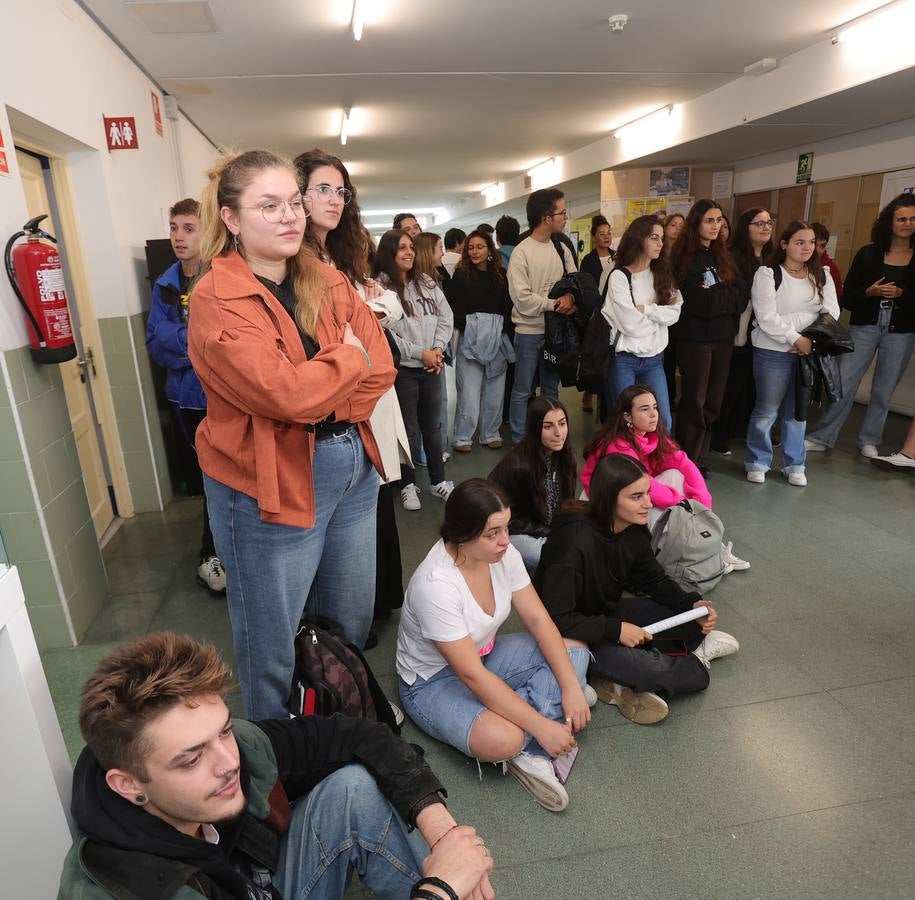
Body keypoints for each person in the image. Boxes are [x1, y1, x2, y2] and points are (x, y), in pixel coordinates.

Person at [187, 150, 396, 720]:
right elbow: (285, 396)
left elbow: (380, 365)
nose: (290, 216)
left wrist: (326, 386)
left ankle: (339, 722)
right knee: (271, 643)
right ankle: (277, 765)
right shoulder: (217, 298)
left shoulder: (323, 277)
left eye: (295, 203)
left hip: (352, 466)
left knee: (348, 621)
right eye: (269, 205)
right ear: (231, 219)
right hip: (270, 484)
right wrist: (336, 372)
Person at [58, 631, 495, 900]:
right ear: (127, 784)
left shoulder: (229, 751)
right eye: (192, 759)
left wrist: (445, 835)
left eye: (224, 731)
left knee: (352, 789)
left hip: (255, 883)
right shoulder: (135, 887)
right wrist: (438, 891)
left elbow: (361, 735)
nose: (229, 763)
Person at [396, 479, 591, 812]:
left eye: (506, 527)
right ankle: (534, 729)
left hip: (485, 656)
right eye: (493, 533)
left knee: (575, 651)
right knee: (505, 739)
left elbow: (539, 621)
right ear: (461, 533)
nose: (505, 541)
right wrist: (542, 725)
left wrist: (571, 687)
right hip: (432, 683)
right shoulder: (436, 585)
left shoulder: (503, 553)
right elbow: (471, 676)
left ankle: (533, 728)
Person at [293, 148, 411, 628]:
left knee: (362, 541)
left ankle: (360, 629)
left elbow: (376, 352)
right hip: (329, 422)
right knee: (327, 557)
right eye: (322, 189)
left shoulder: (337, 257)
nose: (334, 199)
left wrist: (365, 329)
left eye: (340, 191)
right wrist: (361, 338)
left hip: (361, 409)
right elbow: (330, 345)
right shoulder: (295, 260)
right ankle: (332, 655)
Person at [535, 453, 739, 726]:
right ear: (609, 498)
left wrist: (691, 606)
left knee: (690, 624)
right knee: (649, 668)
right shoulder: (573, 541)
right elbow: (555, 618)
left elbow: (653, 579)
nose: (649, 503)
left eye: (647, 493)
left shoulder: (632, 529)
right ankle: (683, 661)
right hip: (570, 635)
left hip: (605, 615)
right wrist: (616, 631)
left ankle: (614, 678)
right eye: (636, 497)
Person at [145, 198, 225, 594]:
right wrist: (194, 344)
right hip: (184, 400)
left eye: (188, 228)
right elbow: (156, 345)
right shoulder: (164, 284)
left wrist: (187, 343)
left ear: (206, 230)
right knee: (208, 479)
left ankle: (226, 550)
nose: (178, 236)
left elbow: (224, 343)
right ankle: (209, 556)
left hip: (222, 398)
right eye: (174, 227)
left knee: (229, 478)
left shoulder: (220, 278)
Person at [581, 385, 749, 572]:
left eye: (655, 407)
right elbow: (648, 488)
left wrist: (702, 500)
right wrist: (686, 505)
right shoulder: (618, 446)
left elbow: (683, 462)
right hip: (603, 503)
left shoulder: (652, 435)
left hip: (634, 494)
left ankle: (710, 548)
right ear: (627, 416)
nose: (653, 414)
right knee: (655, 505)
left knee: (676, 475)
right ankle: (676, 552)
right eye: (645, 409)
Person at [805, 195, 915, 458]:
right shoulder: (869, 253)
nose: (907, 223)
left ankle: (869, 439)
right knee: (844, 380)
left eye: (912, 218)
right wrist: (870, 291)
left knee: (884, 386)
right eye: (901, 218)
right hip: (866, 324)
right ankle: (822, 435)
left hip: (901, 328)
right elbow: (849, 297)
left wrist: (903, 295)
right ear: (890, 221)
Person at [745, 220, 839, 486]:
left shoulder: (822, 274)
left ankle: (794, 463)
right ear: (785, 244)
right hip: (772, 351)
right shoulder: (768, 273)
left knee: (797, 411)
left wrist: (807, 340)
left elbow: (831, 313)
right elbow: (766, 317)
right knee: (766, 409)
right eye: (800, 242)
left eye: (811, 242)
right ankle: (757, 461)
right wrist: (797, 336)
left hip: (806, 353)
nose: (807, 247)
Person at [375, 229, 454, 510]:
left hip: (432, 365)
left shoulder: (427, 282)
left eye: (411, 247)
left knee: (433, 427)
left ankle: (438, 482)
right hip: (405, 370)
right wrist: (420, 354)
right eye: (402, 248)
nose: (409, 252)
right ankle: (408, 484)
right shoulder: (380, 288)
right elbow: (387, 333)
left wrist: (437, 350)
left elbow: (446, 316)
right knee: (407, 430)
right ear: (389, 253)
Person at [669, 199, 749, 473]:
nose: (716, 226)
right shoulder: (684, 258)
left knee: (714, 401)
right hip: (695, 341)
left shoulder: (722, 255)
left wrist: (719, 298)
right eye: (709, 220)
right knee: (694, 400)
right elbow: (699, 304)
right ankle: (687, 460)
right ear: (696, 224)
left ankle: (697, 456)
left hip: (723, 339)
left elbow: (742, 295)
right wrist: (724, 298)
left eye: (719, 221)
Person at [507, 188, 577, 445]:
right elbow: (522, 299)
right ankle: (519, 440)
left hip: (555, 332)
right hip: (528, 332)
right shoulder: (522, 252)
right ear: (548, 217)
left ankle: (549, 437)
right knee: (523, 389)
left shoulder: (561, 248)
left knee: (550, 389)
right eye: (562, 212)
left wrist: (570, 299)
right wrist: (555, 304)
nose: (565, 217)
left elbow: (573, 282)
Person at [601, 215, 682, 430]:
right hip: (623, 360)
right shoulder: (620, 276)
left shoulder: (663, 275)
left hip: (654, 360)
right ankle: (625, 463)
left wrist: (647, 310)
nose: (660, 243)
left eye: (661, 238)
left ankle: (655, 463)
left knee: (663, 421)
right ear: (639, 239)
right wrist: (659, 319)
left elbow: (675, 314)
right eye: (654, 237)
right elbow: (631, 325)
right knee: (624, 422)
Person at [711, 207, 775, 455]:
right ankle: (720, 434)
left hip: (765, 330)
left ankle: (745, 429)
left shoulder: (771, 257)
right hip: (738, 329)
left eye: (769, 222)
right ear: (745, 227)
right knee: (732, 382)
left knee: (755, 383)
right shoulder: (732, 256)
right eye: (759, 223)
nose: (765, 227)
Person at [488, 396, 577, 570]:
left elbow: (564, 505)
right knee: (559, 558)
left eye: (562, 423)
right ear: (535, 429)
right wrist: (550, 534)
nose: (559, 433)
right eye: (548, 426)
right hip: (514, 532)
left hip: (545, 530)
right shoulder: (520, 466)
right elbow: (507, 519)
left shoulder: (566, 457)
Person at [450, 229, 513, 453]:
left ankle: (490, 433)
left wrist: (496, 328)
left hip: (497, 338)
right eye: (471, 247)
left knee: (495, 389)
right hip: (470, 339)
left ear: (489, 249)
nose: (475, 251)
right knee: (469, 390)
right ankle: (462, 436)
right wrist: (477, 327)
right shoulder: (461, 275)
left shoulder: (500, 274)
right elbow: (456, 310)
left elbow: (507, 306)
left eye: (480, 246)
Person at [414, 231, 456, 460]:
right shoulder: (411, 284)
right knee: (425, 406)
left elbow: (445, 317)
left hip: (436, 352)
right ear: (427, 252)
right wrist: (427, 350)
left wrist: (438, 347)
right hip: (420, 355)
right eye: (439, 248)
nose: (443, 252)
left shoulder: (436, 279)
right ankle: (425, 451)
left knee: (439, 401)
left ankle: (436, 447)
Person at [579, 214, 616, 293]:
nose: (606, 237)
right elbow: (585, 288)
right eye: (602, 234)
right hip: (597, 303)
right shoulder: (587, 261)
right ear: (593, 237)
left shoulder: (617, 257)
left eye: (609, 233)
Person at [811, 222, 844, 303]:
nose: (818, 250)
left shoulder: (831, 267)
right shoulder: (798, 264)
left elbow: (837, 299)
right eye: (814, 245)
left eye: (822, 246)